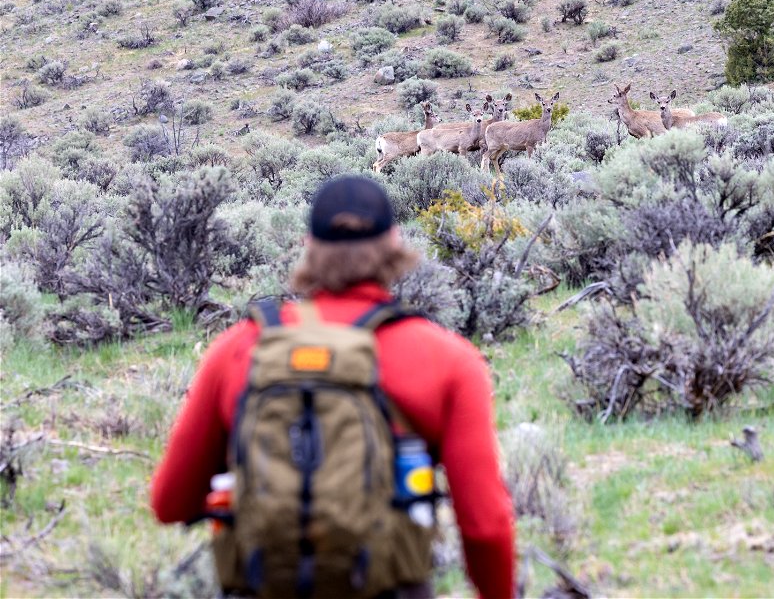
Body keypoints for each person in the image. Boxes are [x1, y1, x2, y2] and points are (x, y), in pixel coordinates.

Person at [151, 176, 516, 599]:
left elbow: (170, 503)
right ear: (395, 242)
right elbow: (486, 527)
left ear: (308, 245)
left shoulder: (239, 348)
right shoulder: (446, 358)